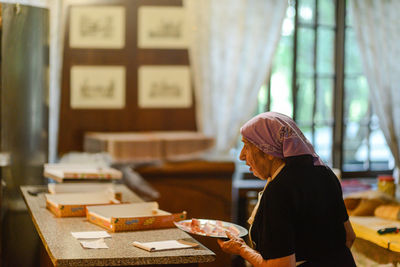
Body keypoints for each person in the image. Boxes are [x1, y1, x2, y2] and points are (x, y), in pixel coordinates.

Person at [218, 112, 356, 267]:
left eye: (247, 146)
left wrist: (242, 249)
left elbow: (281, 265)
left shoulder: (278, 190)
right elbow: (348, 237)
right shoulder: (325, 173)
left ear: (269, 151)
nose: (242, 156)